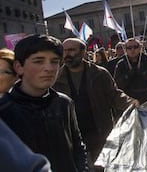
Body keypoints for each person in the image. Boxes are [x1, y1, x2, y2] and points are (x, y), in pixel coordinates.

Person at [0, 34, 88, 172]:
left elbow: (77, 146)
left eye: (54, 61)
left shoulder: (64, 103)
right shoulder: (4, 110)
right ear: (19, 67)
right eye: (38, 61)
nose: (49, 68)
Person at [55, 37, 135, 168]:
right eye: (64, 51)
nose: (67, 54)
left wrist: (130, 102)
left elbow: (114, 95)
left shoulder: (99, 74)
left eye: (71, 50)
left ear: (83, 52)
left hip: (99, 131)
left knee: (102, 167)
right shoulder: (56, 77)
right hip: (70, 135)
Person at [114, 38, 147, 104]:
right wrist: (128, 75)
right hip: (130, 99)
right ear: (125, 50)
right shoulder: (121, 64)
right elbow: (117, 84)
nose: (132, 50)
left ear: (139, 48)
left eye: (135, 47)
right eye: (129, 47)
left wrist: (145, 73)